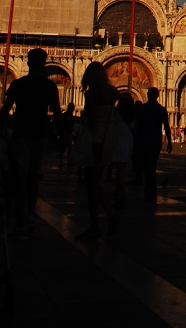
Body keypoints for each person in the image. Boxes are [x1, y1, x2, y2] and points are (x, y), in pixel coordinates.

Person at [0, 47, 62, 236]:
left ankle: (20, 219)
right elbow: (57, 112)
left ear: (27, 62)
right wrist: (63, 135)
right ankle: (30, 215)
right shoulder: (49, 86)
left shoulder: (19, 84)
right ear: (44, 64)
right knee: (33, 176)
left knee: (20, 177)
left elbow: (5, 109)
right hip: (40, 134)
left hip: (21, 134)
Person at [76, 61, 119, 239]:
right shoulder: (113, 92)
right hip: (108, 140)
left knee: (91, 185)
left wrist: (85, 116)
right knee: (95, 182)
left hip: (94, 140)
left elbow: (92, 120)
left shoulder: (91, 94)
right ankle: (110, 216)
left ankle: (95, 226)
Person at [136, 86, 172, 203]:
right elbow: (166, 126)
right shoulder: (161, 109)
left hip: (144, 141)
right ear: (157, 96)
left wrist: (135, 141)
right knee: (152, 166)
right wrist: (169, 142)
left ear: (147, 95)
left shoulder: (142, 109)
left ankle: (149, 191)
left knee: (147, 167)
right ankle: (151, 191)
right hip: (156, 142)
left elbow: (137, 126)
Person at [112, 92, 135, 208]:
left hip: (118, 142)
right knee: (121, 169)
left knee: (119, 170)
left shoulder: (117, 113)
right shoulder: (133, 115)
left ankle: (123, 193)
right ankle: (117, 191)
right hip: (129, 142)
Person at [59, 102, 75, 169]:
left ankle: (67, 161)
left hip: (69, 133)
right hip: (65, 133)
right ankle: (61, 161)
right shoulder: (65, 115)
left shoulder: (71, 116)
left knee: (69, 148)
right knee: (63, 148)